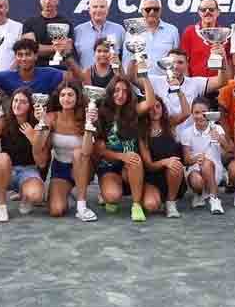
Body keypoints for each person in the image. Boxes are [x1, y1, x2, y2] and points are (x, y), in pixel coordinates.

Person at [0, 88, 48, 222]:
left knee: (36, 196)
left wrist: (34, 138)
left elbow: (42, 162)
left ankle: (24, 195)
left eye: (23, 102)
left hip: (29, 170)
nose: (17, 104)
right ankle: (1, 205)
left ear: (31, 106)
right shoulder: (4, 121)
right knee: (2, 157)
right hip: (6, 170)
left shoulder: (39, 124)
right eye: (15, 100)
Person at [95, 75, 157, 222]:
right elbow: (99, 150)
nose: (120, 95)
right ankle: (108, 194)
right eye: (116, 90)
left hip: (131, 166)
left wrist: (144, 76)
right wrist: (121, 156)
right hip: (110, 165)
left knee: (134, 159)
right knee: (112, 196)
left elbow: (150, 102)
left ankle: (136, 205)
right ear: (110, 92)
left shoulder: (133, 111)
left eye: (124, 91)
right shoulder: (101, 113)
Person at [137, 47, 229, 135]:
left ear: (187, 64)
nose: (176, 66)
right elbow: (131, 78)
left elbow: (221, 81)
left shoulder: (195, 83)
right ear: (165, 63)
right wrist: (136, 56)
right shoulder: (155, 81)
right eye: (172, 62)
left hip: (189, 139)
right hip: (165, 138)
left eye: (180, 62)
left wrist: (222, 60)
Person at [42, 81, 100, 221]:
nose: (66, 99)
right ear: (58, 97)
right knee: (56, 210)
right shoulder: (51, 117)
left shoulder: (87, 116)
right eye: (63, 95)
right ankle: (71, 191)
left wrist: (89, 125)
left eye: (70, 95)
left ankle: (81, 205)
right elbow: (41, 147)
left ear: (77, 97)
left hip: (83, 165)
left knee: (78, 152)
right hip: (60, 168)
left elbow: (87, 151)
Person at [0, 38, 82, 95]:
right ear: (16, 57)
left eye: (28, 54)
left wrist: (67, 56)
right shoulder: (6, 76)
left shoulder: (49, 73)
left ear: (36, 56)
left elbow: (77, 78)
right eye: (20, 55)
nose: (23, 58)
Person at [179, 98, 229, 214]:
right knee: (197, 181)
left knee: (207, 164)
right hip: (195, 169)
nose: (200, 116)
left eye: (203, 112)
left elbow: (228, 150)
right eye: (196, 113)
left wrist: (220, 139)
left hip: (214, 169)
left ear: (209, 113)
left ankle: (215, 199)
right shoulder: (186, 133)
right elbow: (186, 160)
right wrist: (196, 158)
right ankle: (199, 193)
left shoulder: (217, 128)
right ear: (192, 114)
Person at [140, 97, 187, 218]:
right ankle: (158, 199)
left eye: (158, 106)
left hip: (173, 173)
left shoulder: (170, 124)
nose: (155, 110)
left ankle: (171, 203)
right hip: (153, 176)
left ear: (162, 108)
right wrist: (165, 162)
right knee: (150, 205)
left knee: (175, 164)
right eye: (150, 108)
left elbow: (186, 113)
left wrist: (177, 89)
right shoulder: (143, 133)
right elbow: (149, 165)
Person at [122, 0, 180, 78]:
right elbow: (126, 60)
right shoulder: (132, 31)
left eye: (156, 9)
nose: (152, 12)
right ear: (142, 11)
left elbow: (176, 59)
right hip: (138, 83)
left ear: (160, 10)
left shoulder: (172, 31)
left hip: (164, 83)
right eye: (148, 9)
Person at [22, 0, 77, 69]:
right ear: (40, 0)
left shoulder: (66, 23)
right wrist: (57, 48)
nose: (47, 1)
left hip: (60, 71)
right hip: (36, 71)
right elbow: (31, 49)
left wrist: (43, 48)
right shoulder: (29, 23)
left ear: (57, 0)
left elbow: (68, 50)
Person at [180, 0, 230, 78]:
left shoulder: (225, 34)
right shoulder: (189, 32)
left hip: (220, 85)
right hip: (196, 85)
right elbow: (184, 61)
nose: (207, 12)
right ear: (199, 12)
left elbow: (230, 62)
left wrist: (228, 84)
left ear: (218, 12)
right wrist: (187, 84)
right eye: (203, 10)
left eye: (211, 9)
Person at [74, 0, 126, 71]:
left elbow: (125, 58)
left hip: (113, 80)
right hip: (86, 80)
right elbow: (74, 59)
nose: (98, 10)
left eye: (102, 7)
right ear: (89, 10)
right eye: (95, 7)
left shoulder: (119, 30)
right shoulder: (78, 31)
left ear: (107, 10)